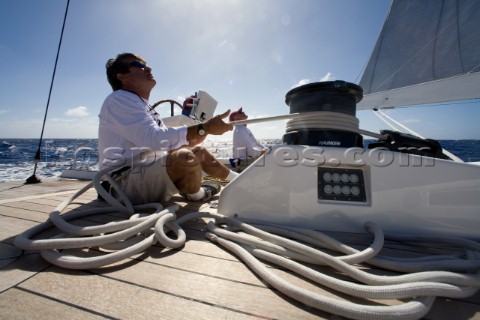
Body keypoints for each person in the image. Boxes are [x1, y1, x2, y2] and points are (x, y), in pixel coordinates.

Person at [98, 52, 239, 204]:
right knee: (185, 157)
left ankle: (240, 181)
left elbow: (163, 143)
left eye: (146, 65)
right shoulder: (120, 98)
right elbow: (152, 138)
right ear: (122, 76)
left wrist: (199, 133)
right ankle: (200, 194)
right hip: (120, 184)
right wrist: (203, 128)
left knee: (200, 152)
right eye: (139, 65)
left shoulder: (142, 105)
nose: (148, 69)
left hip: (142, 173)